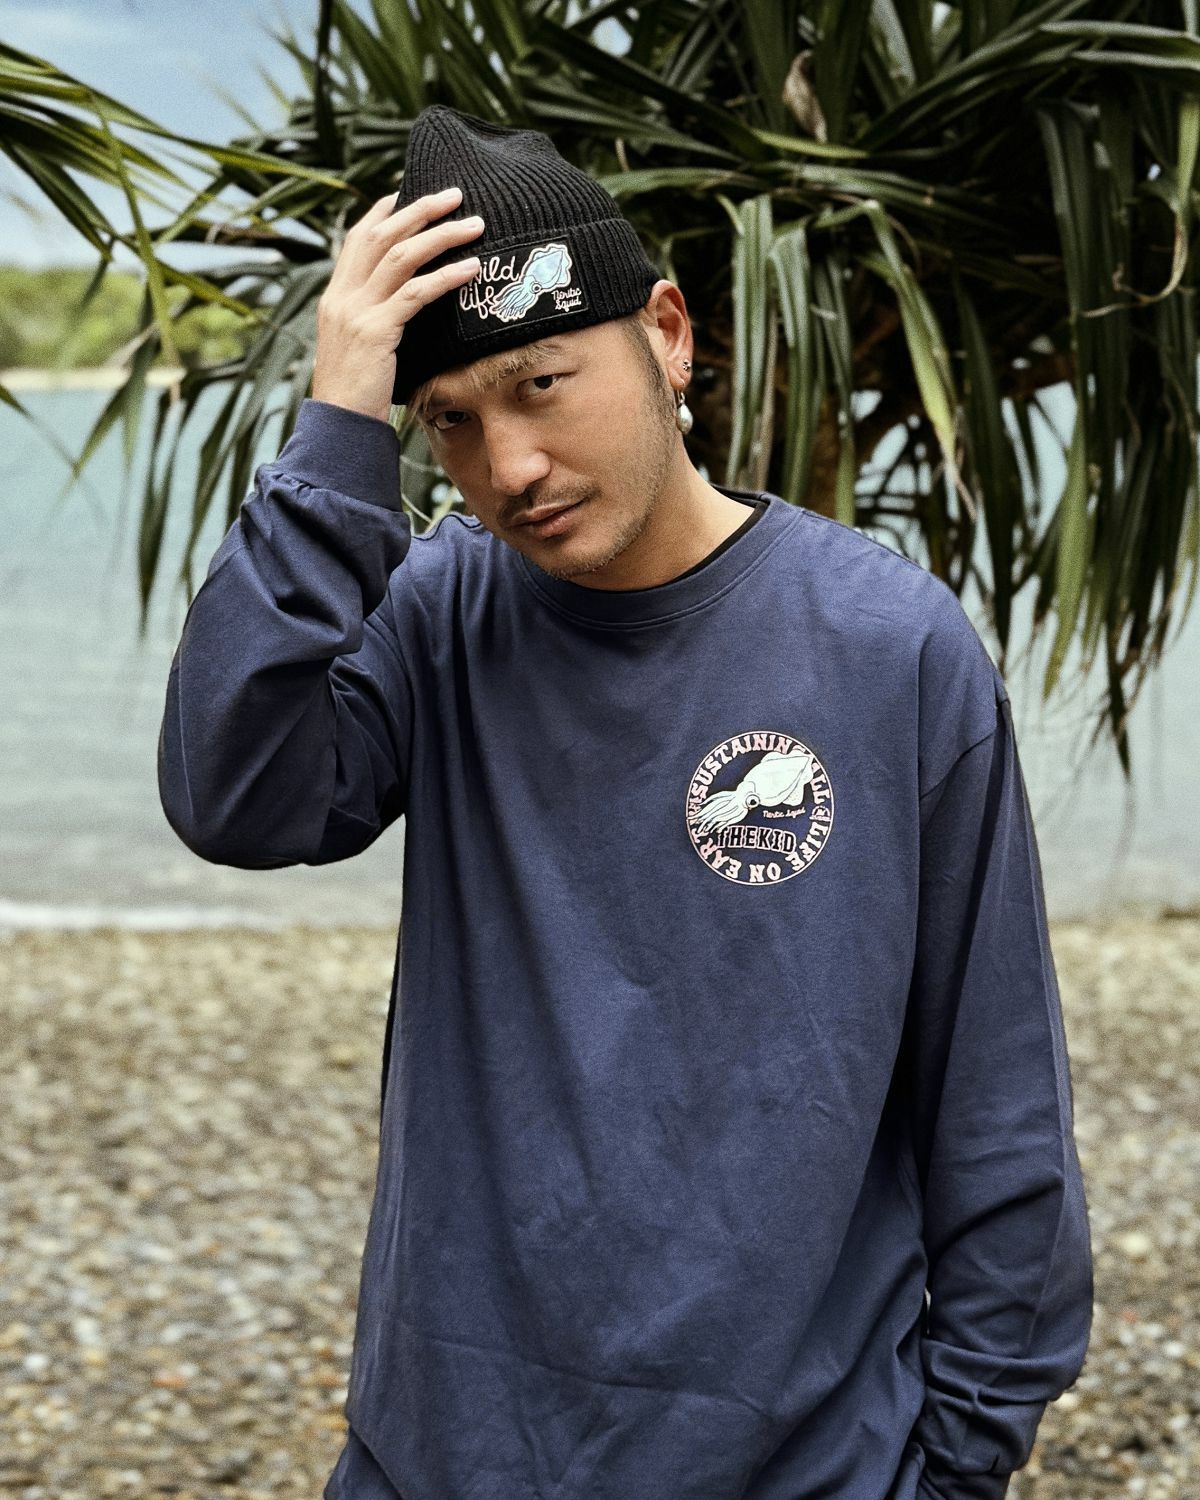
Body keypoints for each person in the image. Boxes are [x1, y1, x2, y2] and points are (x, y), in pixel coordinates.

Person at [157, 104, 1094, 1500]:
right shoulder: (442, 611)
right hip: (441, 1457)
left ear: (666, 333)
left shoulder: (888, 645)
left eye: (543, 384)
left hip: (802, 1468)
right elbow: (233, 793)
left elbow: (997, 1101)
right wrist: (337, 429)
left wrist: (959, 1464)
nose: (509, 468)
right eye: (451, 422)